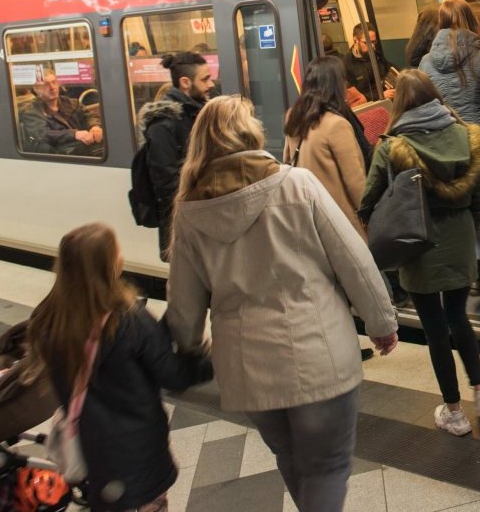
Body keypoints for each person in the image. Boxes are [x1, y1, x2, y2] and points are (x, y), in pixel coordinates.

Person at [166, 95, 398, 511]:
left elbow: (183, 306)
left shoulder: (189, 211)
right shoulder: (297, 184)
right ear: (251, 133)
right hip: (318, 356)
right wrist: (381, 321)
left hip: (247, 372)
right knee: (326, 467)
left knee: (291, 459)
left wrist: (186, 347)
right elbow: (354, 261)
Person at [28, 223, 213, 512]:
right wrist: (212, 360)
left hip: (93, 448)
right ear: (110, 263)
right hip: (139, 450)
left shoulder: (48, 320)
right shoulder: (129, 320)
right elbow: (174, 376)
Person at [358, 69, 480, 435]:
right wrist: (465, 228)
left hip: (415, 246)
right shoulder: (468, 137)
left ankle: (455, 412)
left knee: (435, 329)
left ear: (400, 103)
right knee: (459, 317)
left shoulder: (391, 147)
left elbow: (368, 200)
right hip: (460, 240)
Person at [419, 0, 480, 314]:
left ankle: (474, 280)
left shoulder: (426, 64)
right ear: (472, 20)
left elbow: (426, 110)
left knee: (469, 219)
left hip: (448, 151)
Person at [136, 53, 214, 261]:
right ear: (185, 82)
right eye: (205, 79)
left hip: (201, 219)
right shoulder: (163, 125)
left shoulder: (195, 114)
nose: (211, 84)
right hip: (183, 227)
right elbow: (166, 184)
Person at [284, 56, 368, 236]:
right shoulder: (336, 125)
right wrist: (370, 216)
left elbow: (286, 161)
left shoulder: (293, 116)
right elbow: (355, 182)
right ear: (336, 85)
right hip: (341, 221)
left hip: (309, 218)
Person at [18, 68, 103, 156]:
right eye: (46, 85)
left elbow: (89, 116)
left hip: (81, 146)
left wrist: (94, 126)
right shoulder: (31, 111)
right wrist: (74, 134)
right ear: (37, 89)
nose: (52, 87)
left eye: (54, 82)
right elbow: (42, 133)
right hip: (59, 154)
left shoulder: (72, 103)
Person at [343, 23, 397, 101]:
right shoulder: (347, 64)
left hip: (387, 99)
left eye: (374, 42)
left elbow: (389, 69)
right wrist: (380, 96)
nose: (372, 46)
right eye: (367, 43)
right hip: (369, 106)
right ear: (355, 40)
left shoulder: (377, 55)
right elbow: (354, 98)